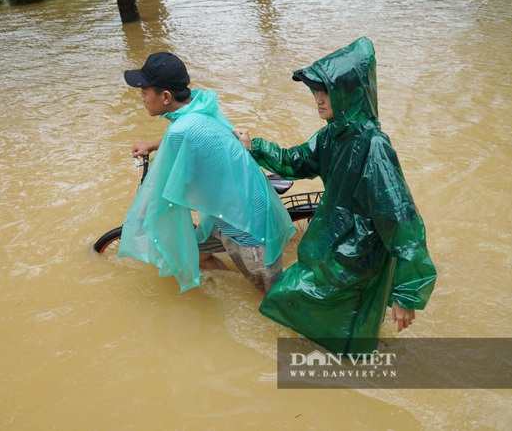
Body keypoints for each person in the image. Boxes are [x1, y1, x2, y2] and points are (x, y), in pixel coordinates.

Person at [233, 37, 437, 355]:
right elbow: (295, 161)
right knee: (288, 298)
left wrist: (407, 293)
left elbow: (400, 218)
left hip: (360, 254)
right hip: (333, 242)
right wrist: (255, 146)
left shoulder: (374, 147)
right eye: (316, 90)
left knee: (340, 326)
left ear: (349, 92)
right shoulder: (333, 134)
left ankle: (354, 377)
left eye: (325, 90)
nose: (318, 98)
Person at [118, 52, 295, 293]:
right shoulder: (201, 104)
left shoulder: (182, 130)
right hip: (226, 209)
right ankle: (231, 287)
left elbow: (165, 184)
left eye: (144, 92)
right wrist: (152, 145)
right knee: (198, 254)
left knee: (269, 295)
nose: (141, 98)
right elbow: (181, 130)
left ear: (166, 96)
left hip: (248, 225)